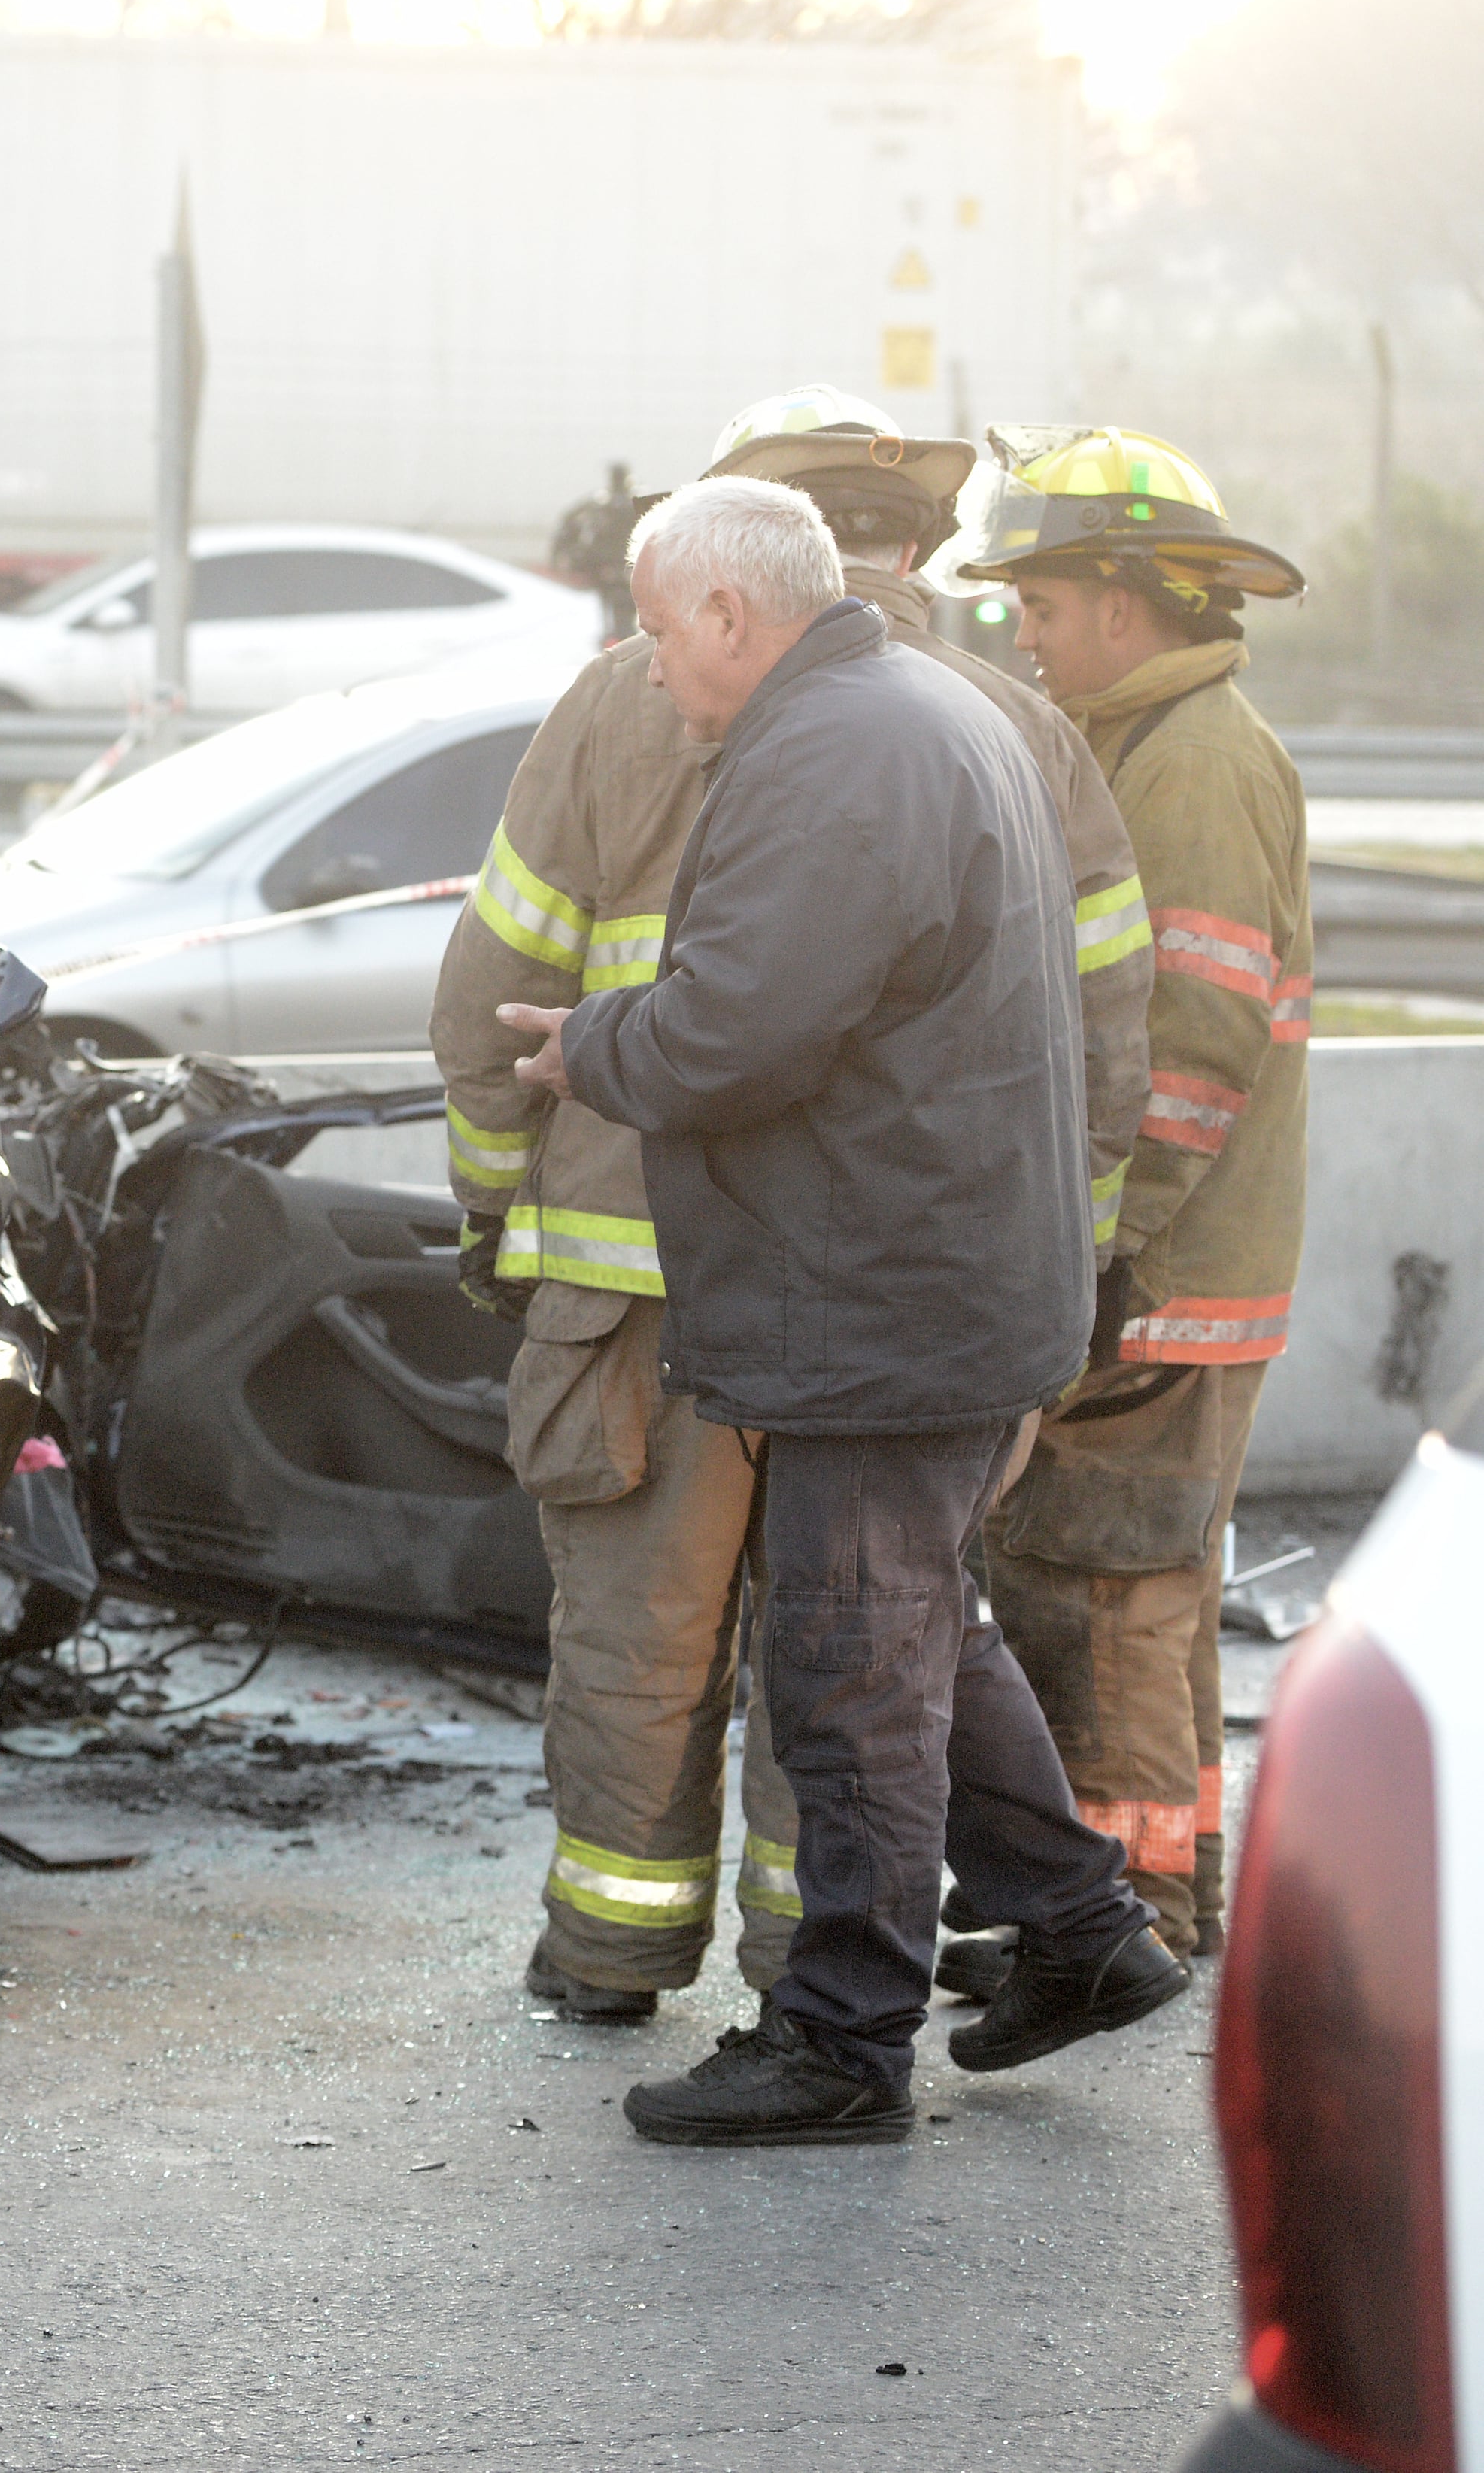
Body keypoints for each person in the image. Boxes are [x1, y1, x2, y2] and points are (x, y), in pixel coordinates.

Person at [429, 387, 1152, 2027]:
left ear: (746, 562)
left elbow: (497, 989)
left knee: (653, 1632)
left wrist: (494, 1201)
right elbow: (1107, 1031)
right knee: (864, 1643)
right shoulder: (1000, 719)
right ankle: (814, 1965)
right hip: (912, 1295)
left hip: (656, 1292)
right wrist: (1083, 1249)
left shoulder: (630, 703)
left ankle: (635, 1960)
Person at [941, 430, 1310, 1988]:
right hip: (1172, 1263)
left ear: (1121, 599)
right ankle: (1157, 1890)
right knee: (1140, 1589)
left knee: (1099, 1591)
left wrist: (1107, 1243)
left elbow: (1191, 1038)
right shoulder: (1149, 741)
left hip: (1161, 1268)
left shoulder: (1196, 766)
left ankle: (1119, 1918)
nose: (1020, 627)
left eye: (1039, 596)